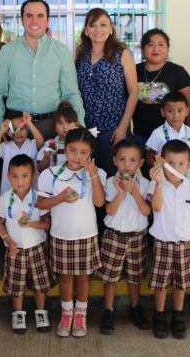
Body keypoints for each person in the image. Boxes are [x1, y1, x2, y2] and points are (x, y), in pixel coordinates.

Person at [37, 128, 106, 338]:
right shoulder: (50, 174)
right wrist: (60, 198)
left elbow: (99, 202)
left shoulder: (97, 173)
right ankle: (66, 314)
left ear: (91, 154)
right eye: (73, 150)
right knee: (65, 277)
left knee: (84, 278)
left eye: (84, 152)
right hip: (61, 235)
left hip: (86, 235)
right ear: (64, 149)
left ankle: (80, 315)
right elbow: (41, 205)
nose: (78, 157)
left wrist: (93, 174)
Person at [0, 0, 85, 138]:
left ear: (47, 20)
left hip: (52, 126)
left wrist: (79, 125)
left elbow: (71, 93)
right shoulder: (7, 51)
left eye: (40, 15)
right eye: (29, 16)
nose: (34, 21)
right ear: (22, 20)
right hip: (17, 126)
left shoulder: (61, 51)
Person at [147, 140, 190, 339]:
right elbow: (156, 208)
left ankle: (178, 315)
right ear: (162, 163)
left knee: (181, 283)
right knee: (161, 284)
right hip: (162, 243)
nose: (175, 168)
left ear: (189, 165)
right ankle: (159, 315)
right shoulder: (155, 183)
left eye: (181, 163)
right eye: (170, 163)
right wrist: (160, 184)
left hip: (185, 245)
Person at [0, 155, 55, 334]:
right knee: (16, 285)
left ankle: (41, 312)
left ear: (33, 176)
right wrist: (7, 240)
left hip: (37, 247)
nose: (19, 181)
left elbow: (48, 224)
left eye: (24, 176)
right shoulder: (5, 199)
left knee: (40, 283)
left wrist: (32, 224)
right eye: (15, 176)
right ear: (8, 177)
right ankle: (18, 313)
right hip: (15, 249)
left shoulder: (40, 198)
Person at [96, 138, 151, 335]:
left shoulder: (145, 184)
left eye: (132, 160)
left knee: (134, 277)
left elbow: (146, 211)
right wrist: (120, 193)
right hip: (114, 236)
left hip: (137, 236)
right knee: (110, 278)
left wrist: (134, 192)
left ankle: (135, 308)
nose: (127, 165)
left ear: (140, 163)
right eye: (122, 160)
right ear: (114, 161)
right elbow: (109, 211)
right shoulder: (110, 183)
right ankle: (108, 310)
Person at [75, 8, 138, 176]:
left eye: (103, 25)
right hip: (87, 130)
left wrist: (123, 126)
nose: (98, 30)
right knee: (90, 179)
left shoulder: (122, 54)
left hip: (114, 131)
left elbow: (134, 92)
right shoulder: (81, 57)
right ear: (86, 31)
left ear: (111, 29)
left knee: (115, 179)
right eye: (93, 25)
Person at [133, 28, 190, 145]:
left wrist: (188, 135)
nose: (156, 49)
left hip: (171, 138)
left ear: (167, 49)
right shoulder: (134, 71)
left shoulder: (177, 72)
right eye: (150, 44)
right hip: (140, 136)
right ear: (143, 49)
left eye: (161, 44)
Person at [144, 92, 190, 173]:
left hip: (185, 179)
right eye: (170, 111)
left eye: (180, 111)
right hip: (164, 180)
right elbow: (150, 157)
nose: (175, 115)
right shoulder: (158, 133)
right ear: (163, 112)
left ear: (187, 111)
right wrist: (163, 170)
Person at [0, 111, 44, 195]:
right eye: (14, 129)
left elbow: (40, 142)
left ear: (28, 130)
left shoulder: (32, 144)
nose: (18, 132)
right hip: (8, 191)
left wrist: (29, 123)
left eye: (22, 128)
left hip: (31, 192)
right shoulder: (6, 146)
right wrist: (1, 131)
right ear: (8, 132)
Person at [36, 101, 80, 172]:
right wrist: (46, 158)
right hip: (53, 181)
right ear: (55, 128)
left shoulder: (81, 144)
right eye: (60, 123)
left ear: (77, 124)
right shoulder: (50, 144)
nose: (65, 127)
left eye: (68, 122)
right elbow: (39, 169)